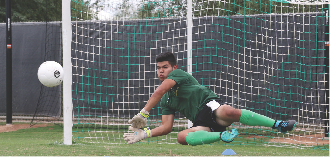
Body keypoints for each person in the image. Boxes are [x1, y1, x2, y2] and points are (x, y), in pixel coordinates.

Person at [123, 52, 296, 146]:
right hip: (200, 121)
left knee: (229, 111)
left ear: (174, 68)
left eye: (165, 67)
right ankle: (223, 135)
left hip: (210, 106)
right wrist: (145, 134)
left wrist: (144, 114)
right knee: (181, 138)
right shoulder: (166, 99)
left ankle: (278, 124)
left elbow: (159, 91)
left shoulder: (177, 74)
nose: (161, 71)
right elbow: (167, 127)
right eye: (158, 68)